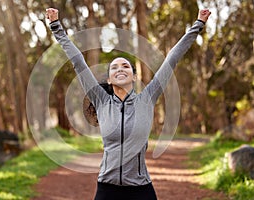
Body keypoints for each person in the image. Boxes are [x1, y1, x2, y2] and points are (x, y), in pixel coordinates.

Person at [46, 8, 211, 200]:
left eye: (125, 66)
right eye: (114, 67)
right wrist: (56, 27)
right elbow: (78, 62)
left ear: (134, 77)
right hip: (107, 187)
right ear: (109, 79)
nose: (120, 69)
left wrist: (198, 24)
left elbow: (171, 59)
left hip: (140, 188)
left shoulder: (147, 98)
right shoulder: (101, 100)